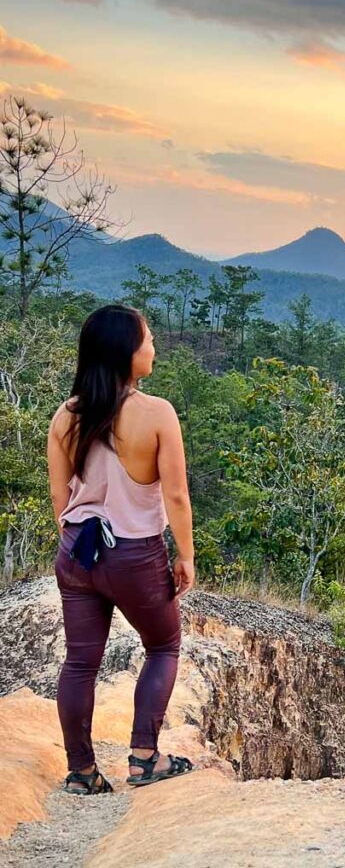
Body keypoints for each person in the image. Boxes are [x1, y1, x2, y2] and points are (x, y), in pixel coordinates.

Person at [47, 304, 196, 794]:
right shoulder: (156, 414)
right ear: (125, 352)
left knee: (80, 662)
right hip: (135, 554)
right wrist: (186, 555)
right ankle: (144, 757)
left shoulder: (65, 417)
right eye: (147, 338)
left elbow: (59, 498)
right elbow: (175, 494)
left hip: (78, 552)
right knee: (164, 645)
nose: (153, 346)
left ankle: (82, 772)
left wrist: (77, 556)